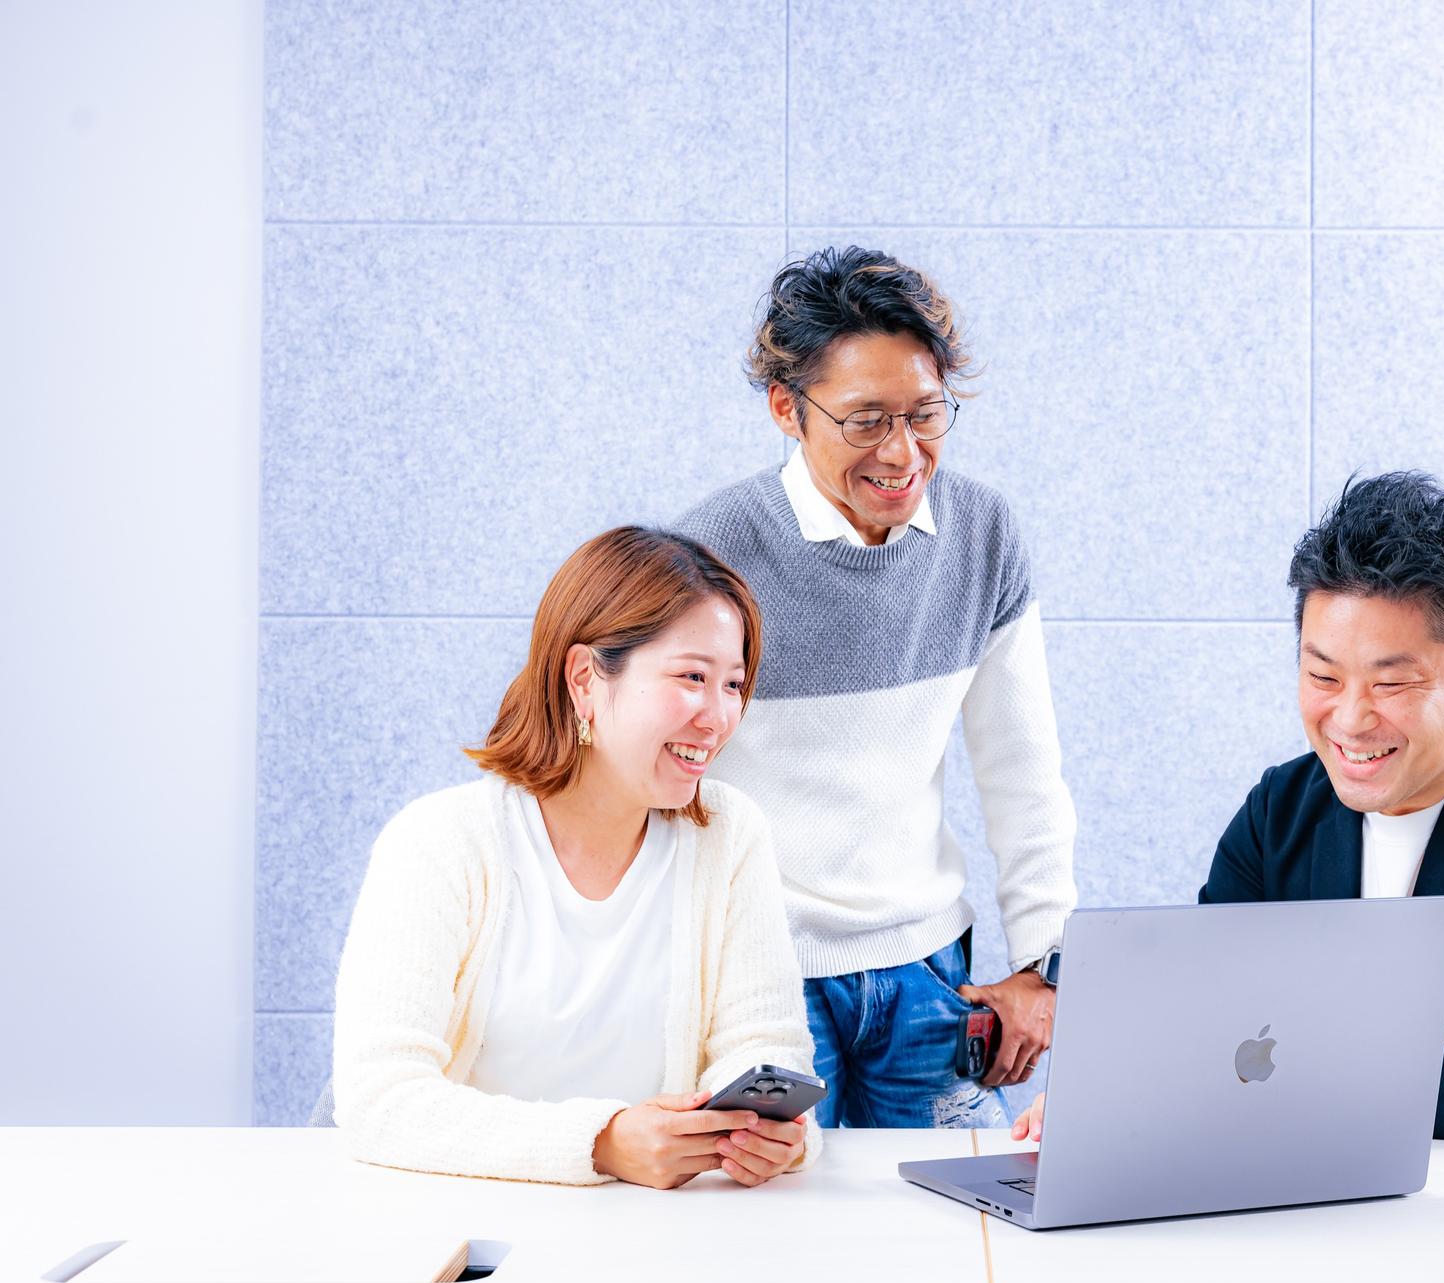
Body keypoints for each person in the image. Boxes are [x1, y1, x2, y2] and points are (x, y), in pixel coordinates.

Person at [1013, 472, 1444, 1145]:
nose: (1349, 719)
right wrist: (1123, 1093)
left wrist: (1207, 1083)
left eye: (1391, 683)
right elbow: (1211, 1022)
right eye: (1323, 676)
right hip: (1315, 1182)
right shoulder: (1280, 814)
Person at [679, 247, 1077, 1128]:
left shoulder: (983, 535)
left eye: (926, 414)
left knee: (954, 1202)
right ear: (787, 408)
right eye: (865, 421)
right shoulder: (710, 553)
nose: (902, 452)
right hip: (760, 975)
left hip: (930, 972)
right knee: (778, 1205)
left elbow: (1024, 772)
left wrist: (1045, 966)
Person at [331, 526, 820, 1187]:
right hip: (464, 1221)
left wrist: (768, 1135)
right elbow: (379, 1099)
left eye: (733, 684)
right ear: (585, 679)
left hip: (656, 1228)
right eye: (692, 677)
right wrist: (600, 1143)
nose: (720, 716)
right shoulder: (440, 842)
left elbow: (763, 1046)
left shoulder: (729, 835)